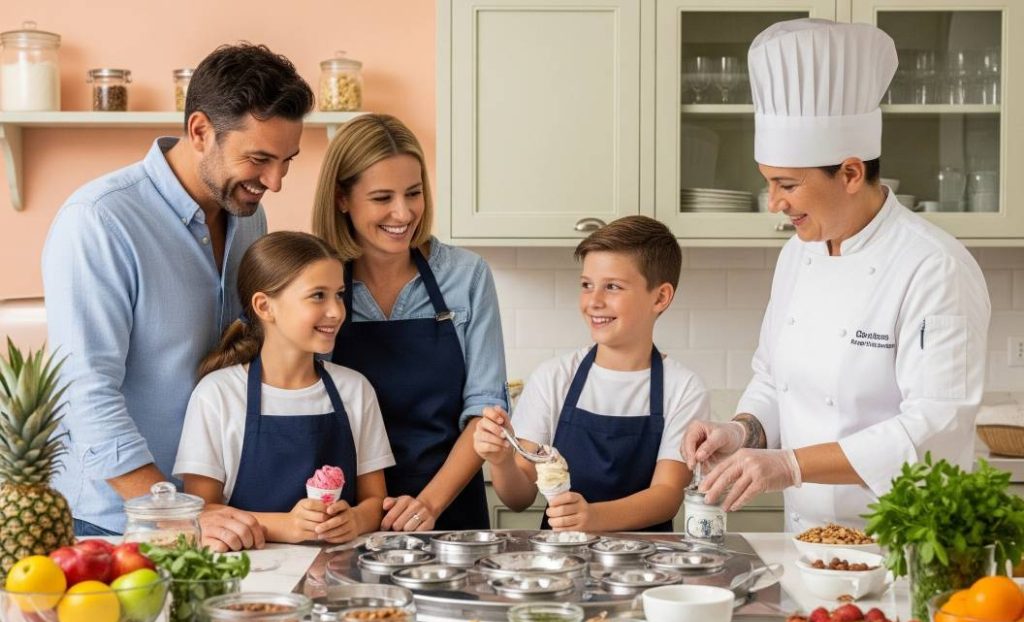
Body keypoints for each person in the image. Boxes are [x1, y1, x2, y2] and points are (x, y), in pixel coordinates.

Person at [682, 20, 991, 531]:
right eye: (768, 184)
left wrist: (792, 464)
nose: (775, 205)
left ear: (850, 173)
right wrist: (741, 432)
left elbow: (933, 427)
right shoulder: (797, 255)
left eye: (787, 185)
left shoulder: (934, 266)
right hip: (806, 538)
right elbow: (773, 381)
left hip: (901, 544)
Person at [42, 43, 315, 549]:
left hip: (220, 515)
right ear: (199, 132)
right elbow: (85, 390)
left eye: (286, 162)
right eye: (259, 159)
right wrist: (170, 508)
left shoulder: (248, 214)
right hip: (114, 523)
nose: (274, 182)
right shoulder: (100, 221)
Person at [312, 114, 507, 532]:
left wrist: (428, 505)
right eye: (382, 198)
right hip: (345, 517)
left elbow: (485, 411)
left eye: (413, 193)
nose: (403, 213)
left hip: (450, 514)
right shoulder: (314, 282)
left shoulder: (467, 276)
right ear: (342, 198)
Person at [474, 216, 709, 532]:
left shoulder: (683, 388)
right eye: (587, 285)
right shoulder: (555, 378)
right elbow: (519, 497)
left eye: (612, 287)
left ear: (660, 297)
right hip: (561, 564)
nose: (594, 302)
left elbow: (666, 495)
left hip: (647, 565)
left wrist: (594, 518)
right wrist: (501, 461)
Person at [172, 232, 393, 543]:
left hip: (338, 569)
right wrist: (284, 526)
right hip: (249, 573)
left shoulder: (355, 390)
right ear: (265, 306)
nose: (336, 311)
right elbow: (204, 511)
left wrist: (355, 519)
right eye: (318, 295)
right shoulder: (217, 395)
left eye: (339, 294)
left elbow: (375, 502)